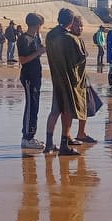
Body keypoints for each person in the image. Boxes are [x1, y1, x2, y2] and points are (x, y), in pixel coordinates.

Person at [43, 10, 90, 156]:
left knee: (55, 111)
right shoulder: (71, 39)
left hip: (56, 77)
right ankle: (64, 144)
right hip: (69, 81)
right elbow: (81, 58)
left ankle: (49, 143)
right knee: (67, 111)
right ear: (71, 22)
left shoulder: (50, 35)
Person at [17, 13, 46, 151]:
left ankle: (30, 135)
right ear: (36, 25)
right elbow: (22, 60)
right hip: (28, 76)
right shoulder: (24, 39)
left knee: (35, 106)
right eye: (40, 25)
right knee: (31, 106)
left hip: (36, 75)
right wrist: (38, 52)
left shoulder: (35, 38)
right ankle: (27, 137)